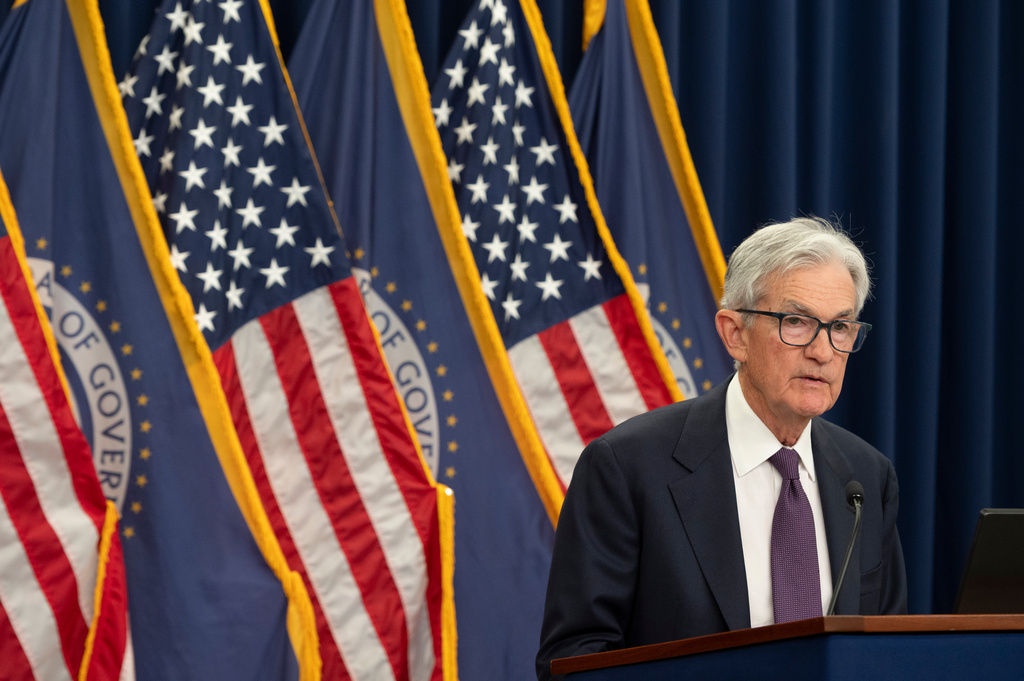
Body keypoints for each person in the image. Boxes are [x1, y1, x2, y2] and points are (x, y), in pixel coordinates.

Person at [536, 217, 907, 680]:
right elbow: (575, 659)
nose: (823, 351)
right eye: (796, 322)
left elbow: (887, 648)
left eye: (841, 327)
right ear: (735, 333)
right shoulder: (626, 467)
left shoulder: (867, 477)